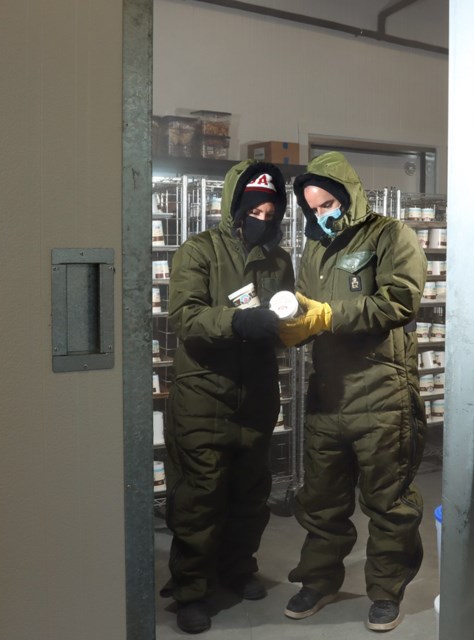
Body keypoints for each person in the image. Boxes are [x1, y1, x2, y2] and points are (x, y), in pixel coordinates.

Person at [278, 151, 428, 632]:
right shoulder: (315, 249)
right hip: (327, 394)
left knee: (387, 501)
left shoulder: (390, 236)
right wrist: (295, 327)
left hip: (381, 394)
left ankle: (386, 592)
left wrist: (328, 316)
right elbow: (307, 307)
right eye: (313, 207)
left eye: (327, 203)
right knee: (321, 500)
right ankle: (318, 581)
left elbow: (399, 300)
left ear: (346, 196)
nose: (321, 213)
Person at [161, 159, 295, 634]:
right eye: (254, 207)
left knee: (250, 493)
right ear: (235, 207)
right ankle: (192, 589)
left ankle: (238, 568)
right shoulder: (198, 251)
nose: (263, 216)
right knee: (200, 497)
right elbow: (185, 317)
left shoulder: (279, 260)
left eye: (270, 208)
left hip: (257, 394)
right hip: (204, 393)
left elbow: (283, 315)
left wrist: (293, 327)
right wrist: (237, 321)